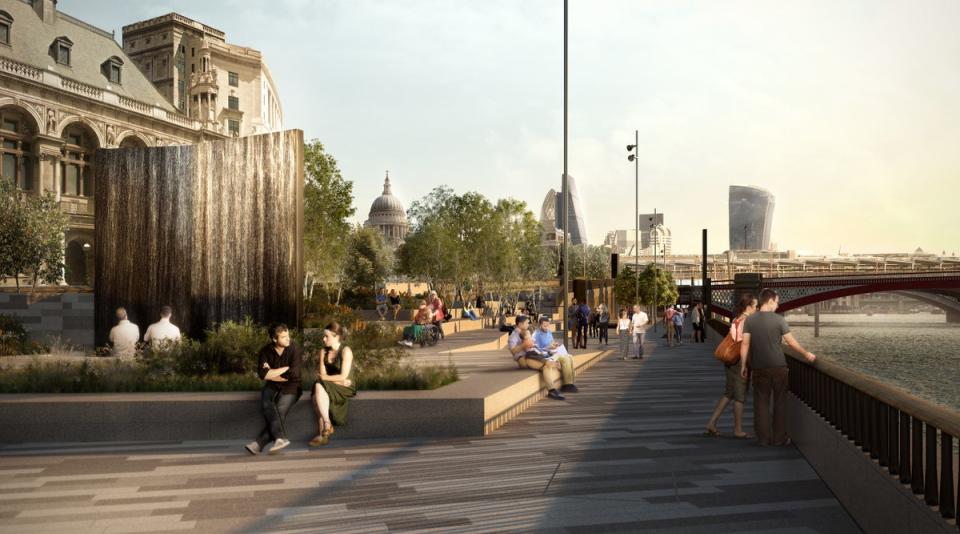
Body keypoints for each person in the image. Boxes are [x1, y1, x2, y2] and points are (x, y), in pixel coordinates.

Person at [741, 288, 817, 446]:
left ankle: (763, 439)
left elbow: (745, 344)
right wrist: (806, 354)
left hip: (759, 368)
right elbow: (791, 342)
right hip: (778, 367)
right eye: (776, 302)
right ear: (769, 301)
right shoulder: (779, 320)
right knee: (780, 403)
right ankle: (779, 439)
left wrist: (743, 365)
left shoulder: (750, 320)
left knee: (761, 403)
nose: (778, 305)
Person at [704, 294, 757, 438]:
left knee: (728, 393)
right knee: (740, 396)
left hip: (729, 359)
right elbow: (744, 344)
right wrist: (745, 365)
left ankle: (712, 422)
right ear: (749, 307)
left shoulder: (736, 319)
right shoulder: (748, 321)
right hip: (739, 360)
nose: (756, 308)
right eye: (755, 306)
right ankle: (738, 430)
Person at [246, 324, 302, 455]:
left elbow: (293, 374)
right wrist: (285, 369)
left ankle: (258, 444)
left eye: (288, 335)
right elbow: (262, 374)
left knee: (280, 409)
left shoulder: (294, 349)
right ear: (274, 339)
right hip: (272, 385)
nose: (288, 339)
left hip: (292, 386)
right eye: (284, 337)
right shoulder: (265, 351)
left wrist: (272, 373)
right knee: (266, 404)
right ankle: (280, 438)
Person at [310, 321, 356, 447]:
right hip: (333, 383)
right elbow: (322, 374)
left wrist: (336, 380)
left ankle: (323, 432)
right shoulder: (323, 351)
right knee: (316, 395)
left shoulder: (346, 351)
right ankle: (326, 426)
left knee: (318, 386)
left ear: (336, 336)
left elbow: (343, 376)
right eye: (324, 336)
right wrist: (337, 380)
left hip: (345, 387)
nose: (323, 339)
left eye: (327, 336)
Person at [508, 316, 565, 400]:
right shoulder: (513, 336)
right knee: (547, 364)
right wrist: (525, 345)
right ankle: (552, 388)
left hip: (532, 355)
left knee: (546, 367)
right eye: (527, 323)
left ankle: (552, 390)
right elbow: (513, 351)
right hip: (523, 359)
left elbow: (533, 346)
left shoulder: (526, 332)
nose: (528, 324)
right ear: (520, 324)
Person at [533, 316, 579, 392]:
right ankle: (567, 384)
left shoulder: (549, 332)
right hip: (545, 356)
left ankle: (571, 383)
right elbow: (536, 350)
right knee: (565, 358)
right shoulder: (536, 335)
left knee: (570, 357)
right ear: (540, 325)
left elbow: (552, 343)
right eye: (544, 326)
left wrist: (555, 345)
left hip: (552, 353)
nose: (546, 327)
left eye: (548, 325)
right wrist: (548, 348)